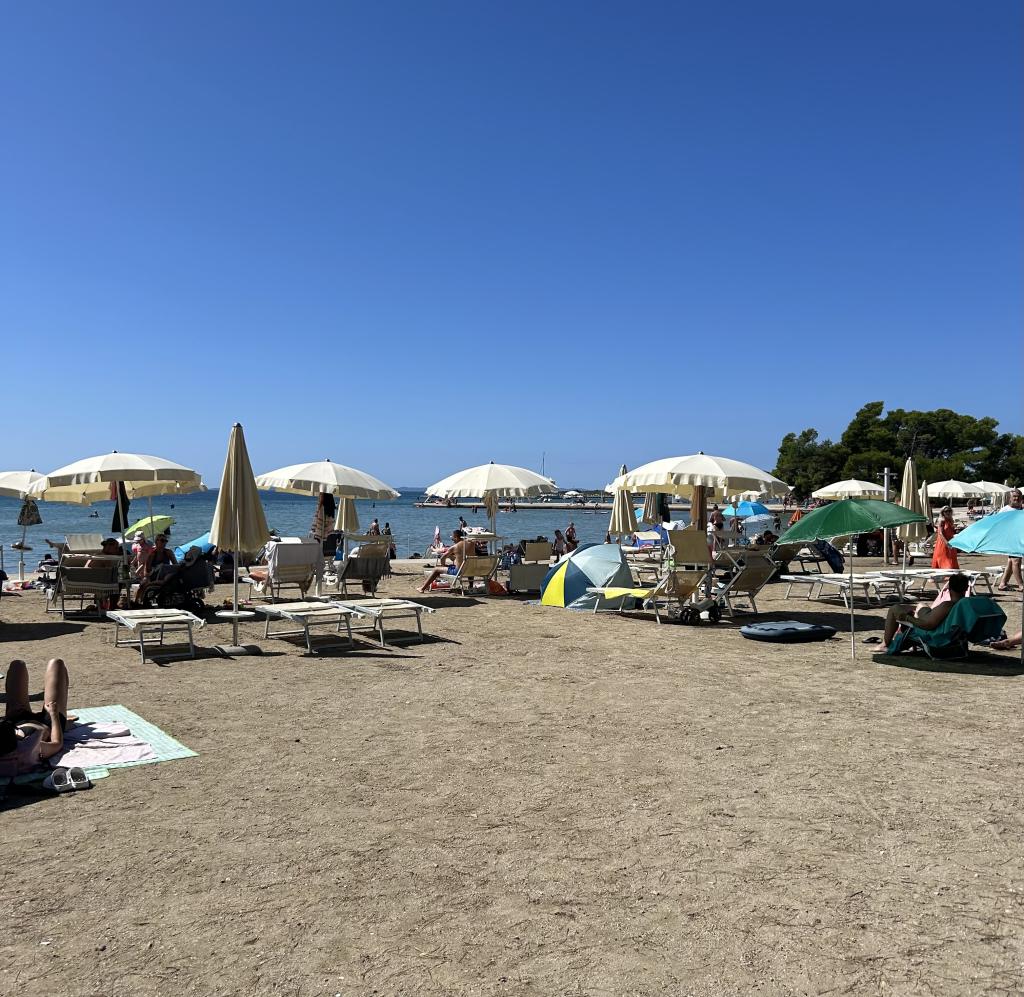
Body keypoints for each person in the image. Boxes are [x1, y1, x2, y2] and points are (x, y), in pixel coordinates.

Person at [0, 658, 71, 779]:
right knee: (56, 663)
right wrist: (54, 715)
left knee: (17, 665)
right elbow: (57, 744)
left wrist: (10, 719)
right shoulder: (28, 748)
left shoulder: (14, 742)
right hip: (48, 722)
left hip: (17, 720)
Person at [882, 573, 969, 645]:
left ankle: (885, 644)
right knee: (920, 605)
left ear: (949, 588)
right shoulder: (966, 605)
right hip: (945, 630)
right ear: (966, 588)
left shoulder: (948, 605)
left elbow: (928, 625)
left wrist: (907, 618)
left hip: (934, 635)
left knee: (895, 608)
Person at [133, 534, 178, 605]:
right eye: (162, 540)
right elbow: (147, 569)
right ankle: (137, 601)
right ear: (156, 542)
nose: (164, 542)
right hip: (153, 575)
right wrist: (146, 577)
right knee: (143, 584)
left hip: (164, 574)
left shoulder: (168, 552)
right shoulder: (152, 553)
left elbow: (175, 565)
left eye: (165, 541)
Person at [998, 489, 1023, 591]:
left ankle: (1003, 583)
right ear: (1010, 498)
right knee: (1016, 561)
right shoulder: (1005, 510)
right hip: (1010, 539)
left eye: (1019, 497)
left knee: (1011, 561)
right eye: (1014, 496)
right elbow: (997, 524)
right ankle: (1021, 585)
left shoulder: (1021, 509)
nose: (1016, 498)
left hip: (1020, 538)